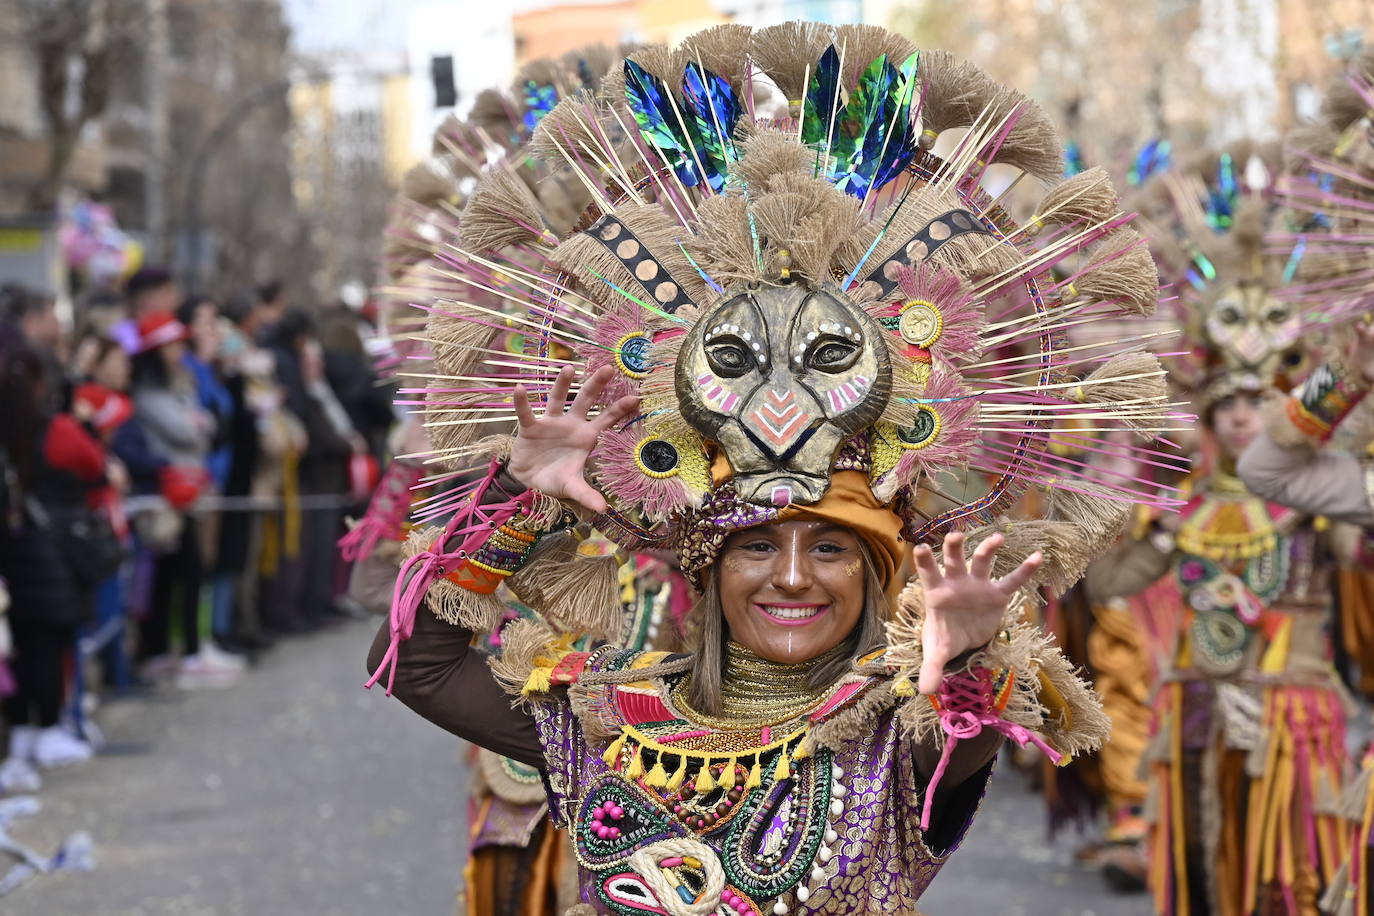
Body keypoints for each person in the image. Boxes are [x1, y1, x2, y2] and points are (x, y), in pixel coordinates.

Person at [365, 24, 1173, 914]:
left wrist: (971, 651)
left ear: (875, 573)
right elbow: (416, 664)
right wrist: (518, 498)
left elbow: (962, 727)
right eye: (756, 546)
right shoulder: (606, 721)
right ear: (707, 567)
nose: (792, 576)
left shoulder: (888, 736)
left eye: (830, 548)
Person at [125, 311, 243, 688]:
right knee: (181, 571)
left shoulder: (179, 384)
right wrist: (197, 423)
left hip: (187, 491)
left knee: (181, 572)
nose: (180, 351)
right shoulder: (147, 392)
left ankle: (179, 649)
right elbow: (185, 428)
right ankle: (179, 651)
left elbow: (205, 423)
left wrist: (198, 422)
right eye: (172, 345)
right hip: (164, 495)